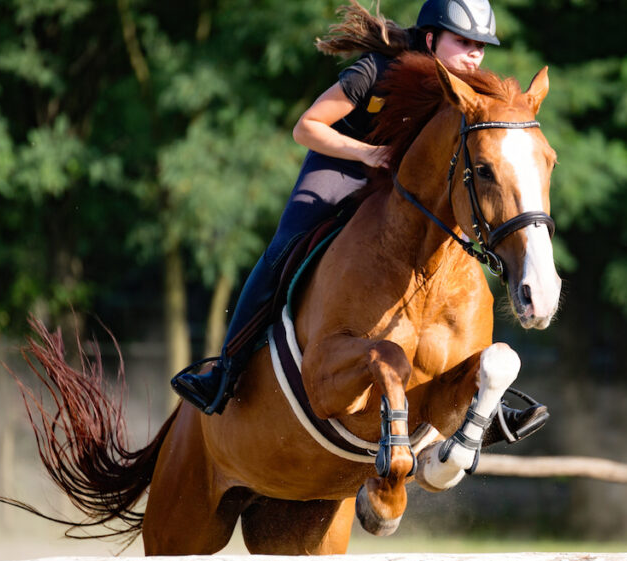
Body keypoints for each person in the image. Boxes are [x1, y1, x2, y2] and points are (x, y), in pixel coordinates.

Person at [171, 0, 547, 442]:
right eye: (462, 42)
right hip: (343, 164)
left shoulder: (470, 97)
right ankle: (227, 371)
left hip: (405, 187)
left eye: (480, 47)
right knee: (285, 246)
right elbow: (306, 126)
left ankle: (483, 398)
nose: (473, 55)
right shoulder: (377, 69)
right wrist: (368, 154)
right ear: (430, 39)